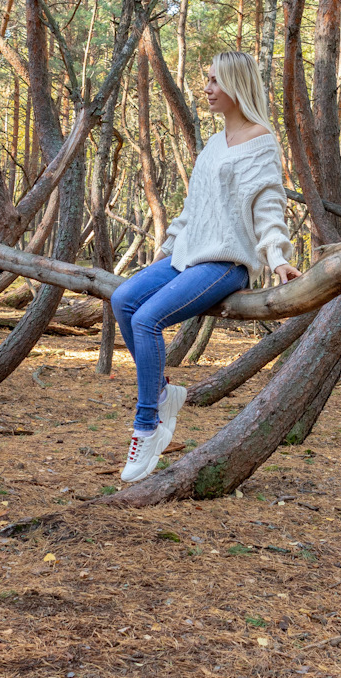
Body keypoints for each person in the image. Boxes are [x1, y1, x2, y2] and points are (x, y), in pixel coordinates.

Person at [111, 51, 299, 483]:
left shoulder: (262, 141)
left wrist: (278, 258)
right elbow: (194, 208)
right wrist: (167, 247)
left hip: (225, 263)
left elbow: (269, 208)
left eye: (215, 80)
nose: (208, 88)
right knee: (123, 299)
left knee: (147, 320)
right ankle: (161, 392)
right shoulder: (213, 144)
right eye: (207, 79)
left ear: (236, 85)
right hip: (186, 255)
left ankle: (148, 426)